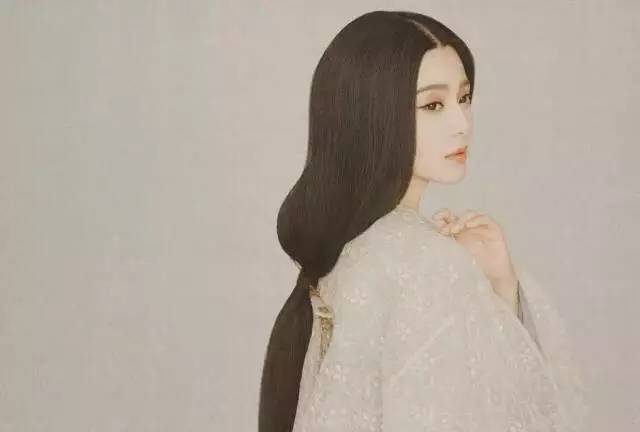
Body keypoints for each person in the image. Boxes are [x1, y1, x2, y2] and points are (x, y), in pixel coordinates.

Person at [259, 10, 588, 432]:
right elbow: (520, 417)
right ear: (372, 114)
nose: (462, 124)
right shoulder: (427, 262)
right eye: (433, 105)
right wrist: (497, 291)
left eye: (464, 98)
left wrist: (497, 286)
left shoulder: (350, 249)